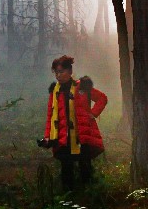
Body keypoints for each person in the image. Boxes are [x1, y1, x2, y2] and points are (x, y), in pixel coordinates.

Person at [37, 55, 108, 191]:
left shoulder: (81, 87)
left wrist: (93, 113)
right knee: (66, 169)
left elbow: (102, 98)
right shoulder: (55, 91)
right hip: (63, 137)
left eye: (61, 72)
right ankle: (69, 199)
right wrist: (47, 137)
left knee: (85, 167)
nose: (58, 75)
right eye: (56, 72)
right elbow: (50, 116)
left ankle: (89, 196)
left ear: (70, 72)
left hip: (81, 135)